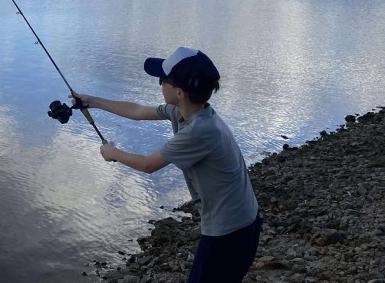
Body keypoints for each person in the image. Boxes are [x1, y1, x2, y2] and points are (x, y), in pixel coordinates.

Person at [73, 47, 260, 283]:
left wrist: (113, 153)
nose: (159, 84)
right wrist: (92, 101)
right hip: (240, 219)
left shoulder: (199, 131)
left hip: (230, 230)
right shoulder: (185, 111)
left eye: (162, 80)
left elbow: (148, 164)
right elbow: (137, 111)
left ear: (179, 92)